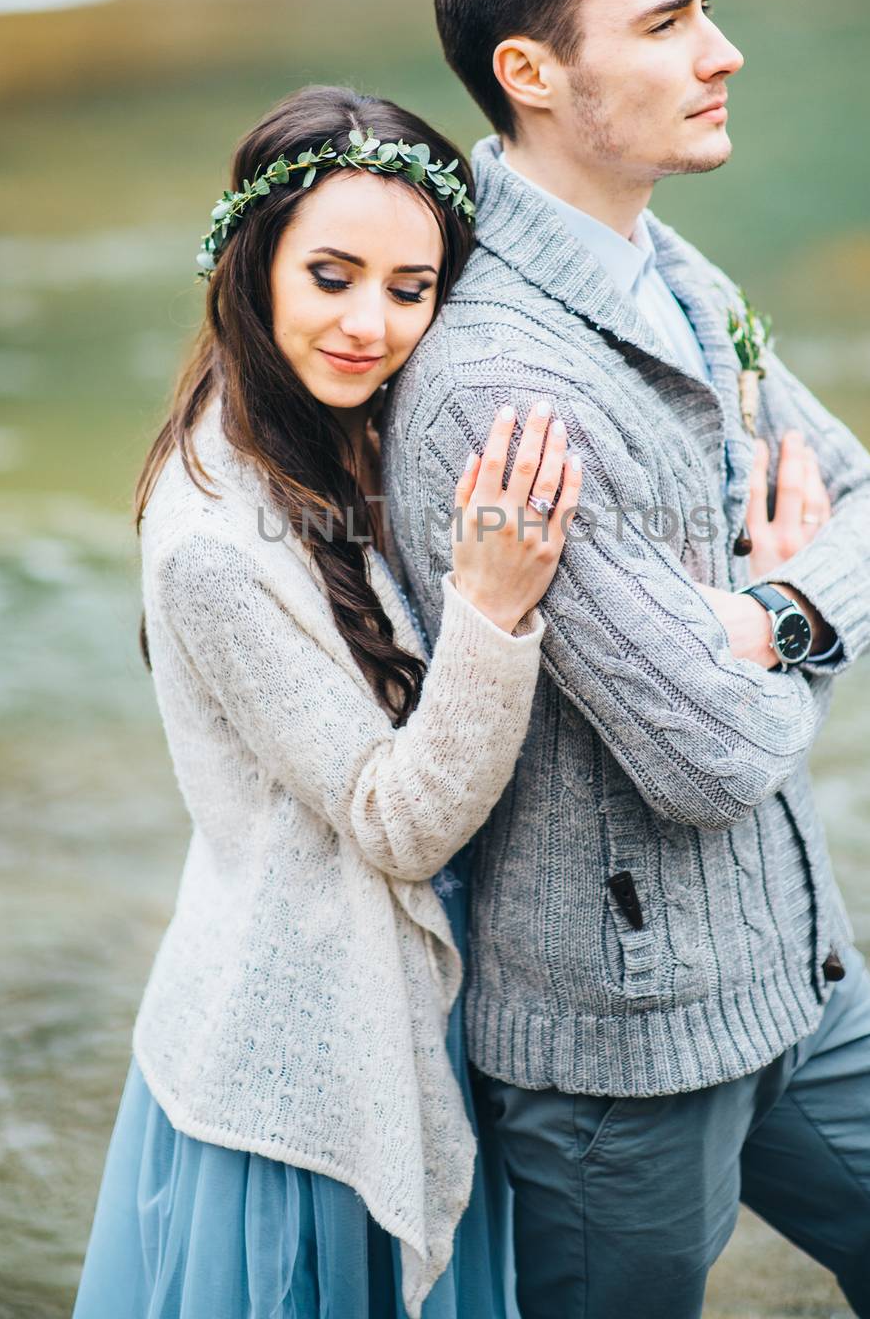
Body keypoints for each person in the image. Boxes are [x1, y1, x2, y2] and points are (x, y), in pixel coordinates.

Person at [382, 0, 870, 1317]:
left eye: (706, 11)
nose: (720, 53)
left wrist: (769, 615)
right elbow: (705, 755)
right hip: (622, 1051)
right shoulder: (496, 383)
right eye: (667, 23)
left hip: (800, 968)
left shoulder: (665, 261)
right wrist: (801, 611)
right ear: (529, 75)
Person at [72, 84, 583, 1319]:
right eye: (332, 276)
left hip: (398, 1008)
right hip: (303, 1071)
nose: (370, 324)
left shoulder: (337, 429)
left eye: (410, 290)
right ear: (252, 268)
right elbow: (395, 820)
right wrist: (492, 608)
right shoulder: (215, 537)